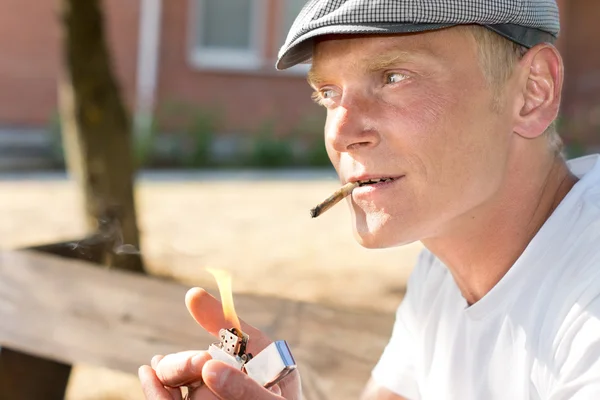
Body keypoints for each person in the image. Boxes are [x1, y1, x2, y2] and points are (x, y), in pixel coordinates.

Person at [139, 0, 600, 398]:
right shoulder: (444, 267)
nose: (340, 132)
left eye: (393, 76)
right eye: (328, 92)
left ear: (533, 91)